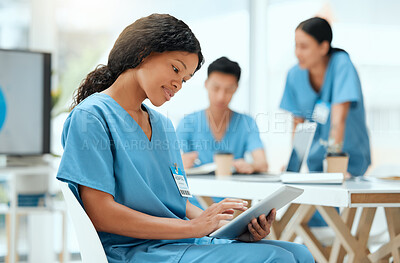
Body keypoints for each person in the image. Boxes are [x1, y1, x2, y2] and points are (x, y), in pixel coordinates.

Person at [57, 14, 314, 262]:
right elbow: (100, 213)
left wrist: (225, 227)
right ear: (142, 52)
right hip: (135, 251)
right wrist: (193, 229)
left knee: (301, 254)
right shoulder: (91, 117)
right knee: (277, 258)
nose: (178, 84)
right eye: (175, 68)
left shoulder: (163, 125)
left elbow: (181, 201)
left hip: (180, 243)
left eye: (185, 79)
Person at [280, 17, 371, 226]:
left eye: (304, 46)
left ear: (323, 47)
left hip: (348, 164)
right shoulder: (294, 75)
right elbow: (298, 125)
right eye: (296, 46)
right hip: (315, 169)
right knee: (301, 221)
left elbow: (338, 120)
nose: (297, 53)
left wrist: (335, 165)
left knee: (340, 223)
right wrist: (293, 167)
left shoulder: (341, 65)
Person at [177, 57, 268, 174]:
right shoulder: (188, 122)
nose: (221, 96)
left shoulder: (246, 123)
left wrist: (252, 166)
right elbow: (172, 161)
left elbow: (262, 163)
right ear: (206, 84)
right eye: (216, 88)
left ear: (236, 88)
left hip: (233, 190)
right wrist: (180, 163)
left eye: (228, 90)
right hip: (198, 190)